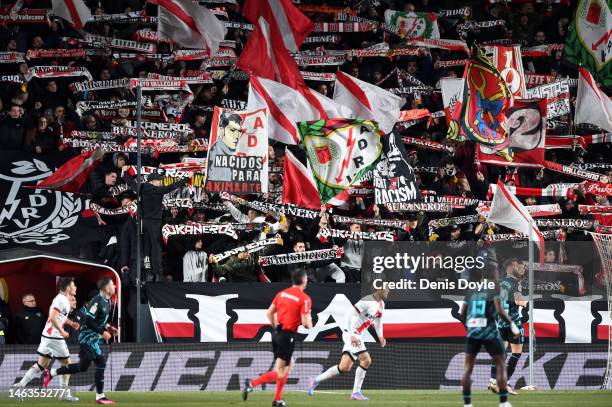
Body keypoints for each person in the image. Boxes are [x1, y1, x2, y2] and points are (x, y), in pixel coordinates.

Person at [242, 269, 313, 406]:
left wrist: (276, 327)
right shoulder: (304, 298)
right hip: (287, 335)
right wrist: (310, 322)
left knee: (288, 364)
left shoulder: (282, 294)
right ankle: (251, 383)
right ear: (304, 281)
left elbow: (269, 313)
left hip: (277, 334)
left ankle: (277, 399)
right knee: (281, 372)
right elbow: (306, 324)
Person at [44, 278, 118, 405]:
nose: (115, 287)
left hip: (93, 339)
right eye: (112, 285)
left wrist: (109, 328)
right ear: (106, 289)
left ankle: (52, 373)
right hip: (87, 339)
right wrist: (102, 332)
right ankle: (100, 396)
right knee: (100, 363)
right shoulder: (97, 301)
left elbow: (99, 321)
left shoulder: (108, 301)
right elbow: (88, 320)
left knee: (83, 367)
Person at [308, 288, 388, 400]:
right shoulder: (367, 300)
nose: (388, 291)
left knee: (344, 367)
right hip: (351, 334)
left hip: (357, 335)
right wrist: (352, 334)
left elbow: (378, 320)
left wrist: (380, 336)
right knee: (366, 360)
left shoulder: (381, 304)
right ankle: (356, 393)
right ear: (379, 289)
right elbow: (350, 315)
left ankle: (315, 380)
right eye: (386, 288)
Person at [458, 263, 519, 407]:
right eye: (497, 272)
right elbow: (500, 310)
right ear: (493, 274)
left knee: (467, 368)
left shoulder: (471, 290)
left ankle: (467, 404)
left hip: (473, 332)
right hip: (490, 332)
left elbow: (462, 314)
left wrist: (470, 327)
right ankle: (503, 402)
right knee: (501, 365)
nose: (498, 274)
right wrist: (513, 325)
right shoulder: (495, 288)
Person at [14, 277, 80, 402]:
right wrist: (62, 331)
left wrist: (71, 323)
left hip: (47, 336)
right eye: (73, 285)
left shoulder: (62, 299)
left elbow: (59, 317)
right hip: (55, 337)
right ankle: (63, 393)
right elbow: (52, 317)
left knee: (41, 364)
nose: (75, 287)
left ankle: (20, 385)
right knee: (68, 365)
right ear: (68, 288)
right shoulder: (62, 300)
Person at [489, 259, 527, 395]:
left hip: (501, 322)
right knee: (516, 353)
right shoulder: (514, 282)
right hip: (513, 322)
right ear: (511, 267)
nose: (521, 269)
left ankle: (493, 381)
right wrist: (525, 302)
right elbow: (519, 301)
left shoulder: (500, 283)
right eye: (519, 266)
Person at [207, 112, 244, 181]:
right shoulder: (215, 152)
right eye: (232, 130)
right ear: (222, 131)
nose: (237, 136)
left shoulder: (233, 150)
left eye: (239, 131)